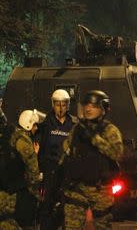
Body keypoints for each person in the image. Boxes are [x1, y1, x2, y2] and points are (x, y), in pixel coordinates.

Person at [61, 90, 123, 230]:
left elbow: (116, 154)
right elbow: (66, 150)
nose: (88, 109)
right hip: (77, 187)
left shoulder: (109, 130)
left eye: (93, 106)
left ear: (103, 109)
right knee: (71, 225)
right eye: (86, 105)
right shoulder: (77, 129)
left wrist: (94, 138)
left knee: (101, 225)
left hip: (100, 189)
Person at [38, 89, 78, 230]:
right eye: (57, 104)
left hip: (67, 172)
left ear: (68, 105)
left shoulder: (74, 123)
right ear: (52, 104)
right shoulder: (44, 123)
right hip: (49, 172)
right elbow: (38, 147)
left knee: (67, 207)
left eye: (64, 104)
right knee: (46, 207)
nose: (61, 108)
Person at [0, 109, 42, 229]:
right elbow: (34, 174)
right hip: (18, 194)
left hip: (5, 190)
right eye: (34, 125)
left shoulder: (9, 136)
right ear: (28, 125)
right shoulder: (23, 140)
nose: (36, 128)